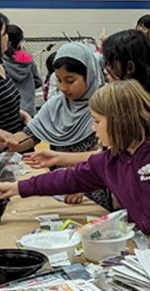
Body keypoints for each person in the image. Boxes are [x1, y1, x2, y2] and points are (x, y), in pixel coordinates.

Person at [0, 80, 150, 250]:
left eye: (97, 121)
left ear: (121, 122)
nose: (93, 128)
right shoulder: (111, 160)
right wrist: (17, 188)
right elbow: (67, 179)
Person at [22, 29, 150, 171]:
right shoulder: (128, 103)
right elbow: (106, 157)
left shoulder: (146, 114)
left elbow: (113, 160)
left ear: (130, 67)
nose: (105, 70)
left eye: (110, 63)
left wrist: (64, 163)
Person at [6, 42, 115, 212]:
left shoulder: (103, 106)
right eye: (59, 80)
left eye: (70, 80)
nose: (63, 87)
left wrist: (81, 184)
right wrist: (4, 142)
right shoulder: (56, 105)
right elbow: (29, 135)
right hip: (60, 189)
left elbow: (106, 158)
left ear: (90, 75)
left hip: (91, 194)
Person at [3, 24, 42, 117]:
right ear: (20, 41)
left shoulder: (0, 60)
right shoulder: (28, 58)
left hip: (8, 111)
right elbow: (38, 81)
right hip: (29, 110)